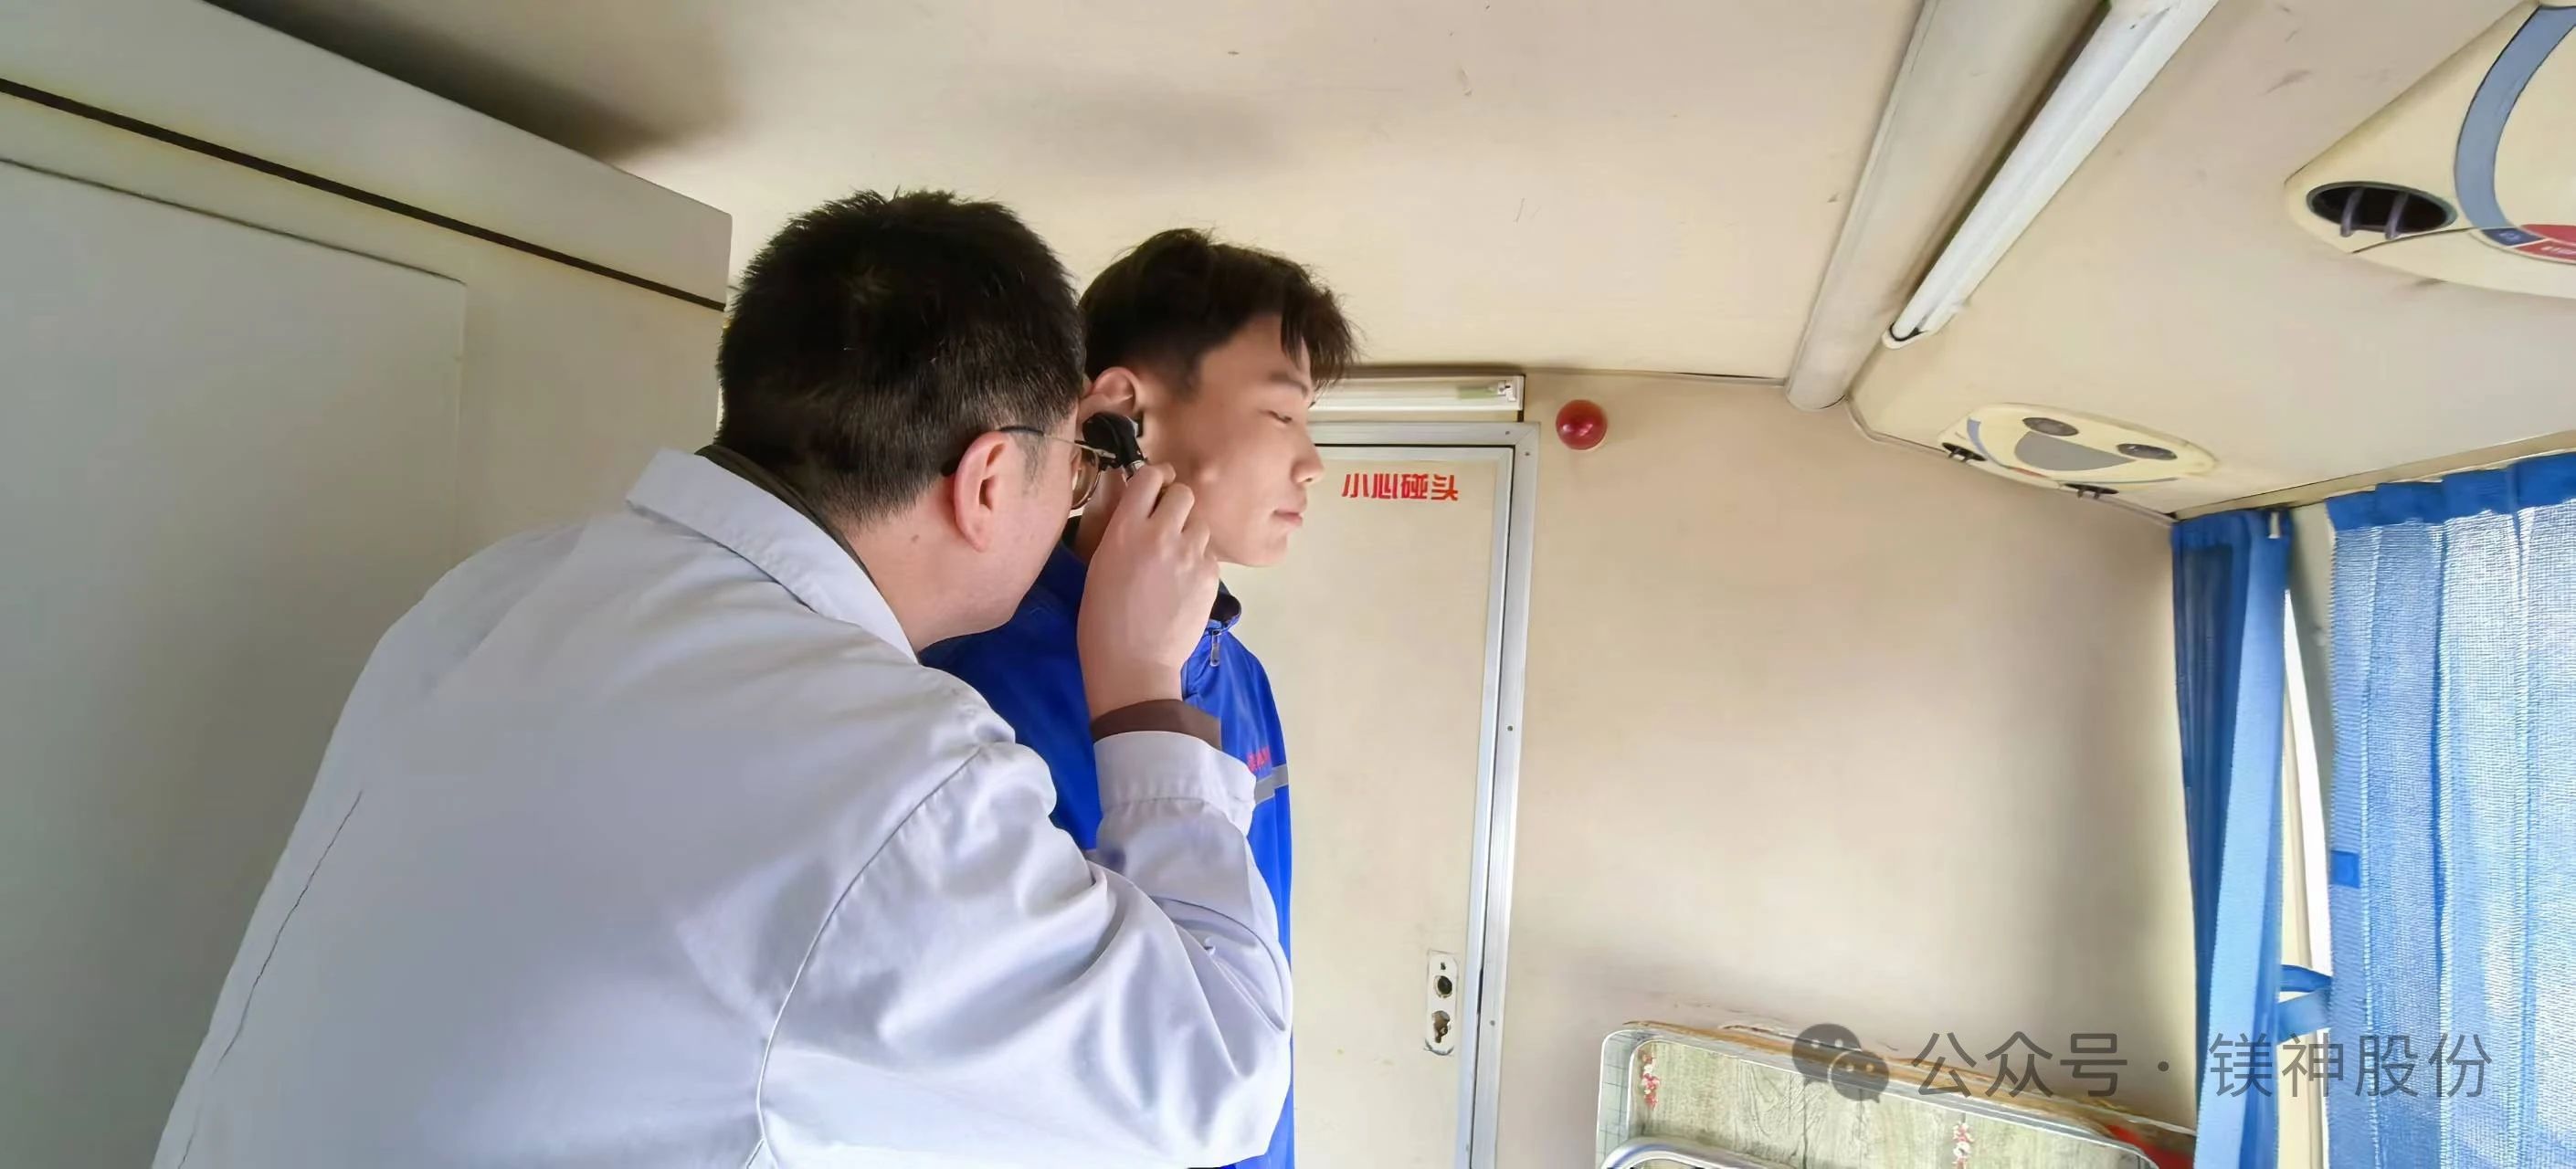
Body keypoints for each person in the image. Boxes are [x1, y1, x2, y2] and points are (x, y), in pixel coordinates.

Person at [153, 193, 1292, 1168]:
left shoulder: (493, 594)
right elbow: (1218, 1076)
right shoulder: (896, 773)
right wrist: (1142, 687)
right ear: (990, 478)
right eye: (1075, 464)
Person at [923, 228, 1354, 1169]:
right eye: (1282, 414)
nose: (1313, 462)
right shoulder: (966, 685)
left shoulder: (1239, 673)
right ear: (1124, 412)